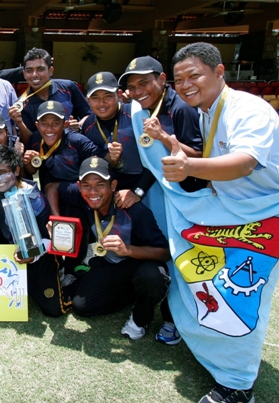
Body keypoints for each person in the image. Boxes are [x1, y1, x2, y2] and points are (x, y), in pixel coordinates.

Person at [153, 42, 279, 403]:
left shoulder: (248, 109)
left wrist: (189, 167)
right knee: (208, 283)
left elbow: (244, 162)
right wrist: (170, 143)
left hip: (261, 219)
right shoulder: (208, 109)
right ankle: (218, 359)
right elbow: (216, 156)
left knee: (242, 299)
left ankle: (238, 388)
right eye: (179, 80)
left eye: (194, 75)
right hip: (231, 214)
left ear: (219, 71)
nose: (186, 84)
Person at [57, 156, 172, 340]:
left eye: (100, 184)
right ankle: (132, 294)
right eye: (86, 185)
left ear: (113, 185)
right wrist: (55, 220)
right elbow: (52, 187)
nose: (93, 191)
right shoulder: (83, 197)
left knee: (152, 277)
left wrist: (127, 250)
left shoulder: (134, 209)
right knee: (81, 306)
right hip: (109, 263)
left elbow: (165, 253)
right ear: (79, 186)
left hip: (138, 262)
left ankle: (141, 318)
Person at [0, 145, 71, 317]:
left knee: (53, 309)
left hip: (42, 256)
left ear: (17, 170)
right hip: (15, 254)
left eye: (3, 171)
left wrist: (34, 254)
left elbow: (51, 240)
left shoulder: (36, 199)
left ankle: (67, 278)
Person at [118, 55, 205, 198]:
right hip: (158, 187)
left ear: (162, 79)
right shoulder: (139, 109)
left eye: (144, 83)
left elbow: (198, 157)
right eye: (132, 87)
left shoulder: (181, 108)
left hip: (186, 192)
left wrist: (162, 136)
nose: (138, 92)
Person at [81, 71, 149, 193]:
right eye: (95, 98)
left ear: (119, 94)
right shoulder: (87, 125)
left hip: (143, 186)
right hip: (108, 188)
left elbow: (154, 159)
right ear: (88, 100)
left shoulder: (136, 115)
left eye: (107, 96)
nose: (102, 103)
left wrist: (137, 191)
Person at [10, 48, 91, 144]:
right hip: (42, 155)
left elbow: (88, 114)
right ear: (24, 74)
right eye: (29, 70)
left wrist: (78, 126)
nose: (34, 75)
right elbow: (30, 141)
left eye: (40, 69)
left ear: (51, 71)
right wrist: (19, 123)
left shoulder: (68, 88)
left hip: (73, 150)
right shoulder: (21, 104)